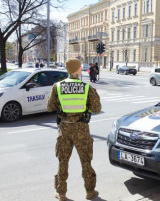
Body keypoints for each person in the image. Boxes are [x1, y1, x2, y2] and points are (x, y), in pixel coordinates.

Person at [47, 58, 102, 201]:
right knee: (86, 161)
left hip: (64, 128)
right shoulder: (86, 87)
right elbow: (97, 108)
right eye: (79, 67)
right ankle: (90, 191)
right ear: (77, 69)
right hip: (82, 129)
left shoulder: (57, 86)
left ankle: (61, 193)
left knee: (63, 161)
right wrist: (86, 107)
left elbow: (50, 107)